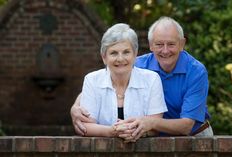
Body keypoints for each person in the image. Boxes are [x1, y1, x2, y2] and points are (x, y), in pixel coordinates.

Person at [71, 16, 213, 140]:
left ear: (182, 44)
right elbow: (102, 83)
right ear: (151, 45)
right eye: (159, 44)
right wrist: (76, 107)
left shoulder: (196, 71)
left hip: (194, 137)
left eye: (171, 44)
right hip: (154, 136)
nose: (165, 50)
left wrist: (150, 123)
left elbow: (186, 126)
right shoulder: (135, 64)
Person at [73, 23, 167, 138]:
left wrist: (134, 133)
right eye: (113, 53)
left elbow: (156, 125)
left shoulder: (152, 79)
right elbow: (85, 126)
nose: (120, 59)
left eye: (126, 52)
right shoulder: (91, 80)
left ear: (135, 54)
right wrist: (111, 131)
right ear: (104, 57)